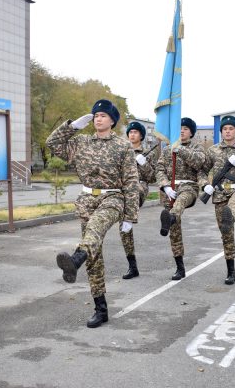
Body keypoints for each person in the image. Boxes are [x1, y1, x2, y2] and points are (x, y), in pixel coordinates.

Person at [46, 99, 139, 328]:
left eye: (103, 115)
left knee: (95, 229)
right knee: (94, 256)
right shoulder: (81, 142)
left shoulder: (122, 146)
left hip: (112, 198)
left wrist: (130, 216)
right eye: (96, 115)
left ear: (112, 121)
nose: (98, 118)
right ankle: (100, 309)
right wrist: (71, 127)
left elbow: (131, 181)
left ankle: (75, 259)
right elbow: (52, 143)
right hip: (87, 200)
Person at [198, 115, 235, 285]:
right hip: (219, 193)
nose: (227, 131)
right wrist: (205, 185)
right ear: (221, 131)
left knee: (232, 207)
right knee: (226, 233)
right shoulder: (213, 150)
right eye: (224, 129)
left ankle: (230, 214)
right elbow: (202, 171)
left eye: (231, 128)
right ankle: (231, 271)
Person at [156, 117, 206, 280]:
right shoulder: (167, 149)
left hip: (188, 186)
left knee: (180, 202)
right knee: (174, 231)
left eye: (185, 128)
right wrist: (165, 186)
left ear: (191, 132)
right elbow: (159, 169)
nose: (182, 131)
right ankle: (180, 267)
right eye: (179, 128)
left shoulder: (197, 147)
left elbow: (199, 163)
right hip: (170, 189)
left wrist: (181, 150)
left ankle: (171, 216)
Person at [120, 121, 160, 279]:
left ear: (141, 136)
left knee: (133, 193)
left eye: (135, 132)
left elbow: (152, 177)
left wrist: (143, 164)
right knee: (124, 229)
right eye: (130, 132)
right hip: (122, 188)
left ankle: (130, 215)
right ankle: (132, 266)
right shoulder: (122, 150)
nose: (132, 134)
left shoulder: (148, 153)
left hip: (139, 187)